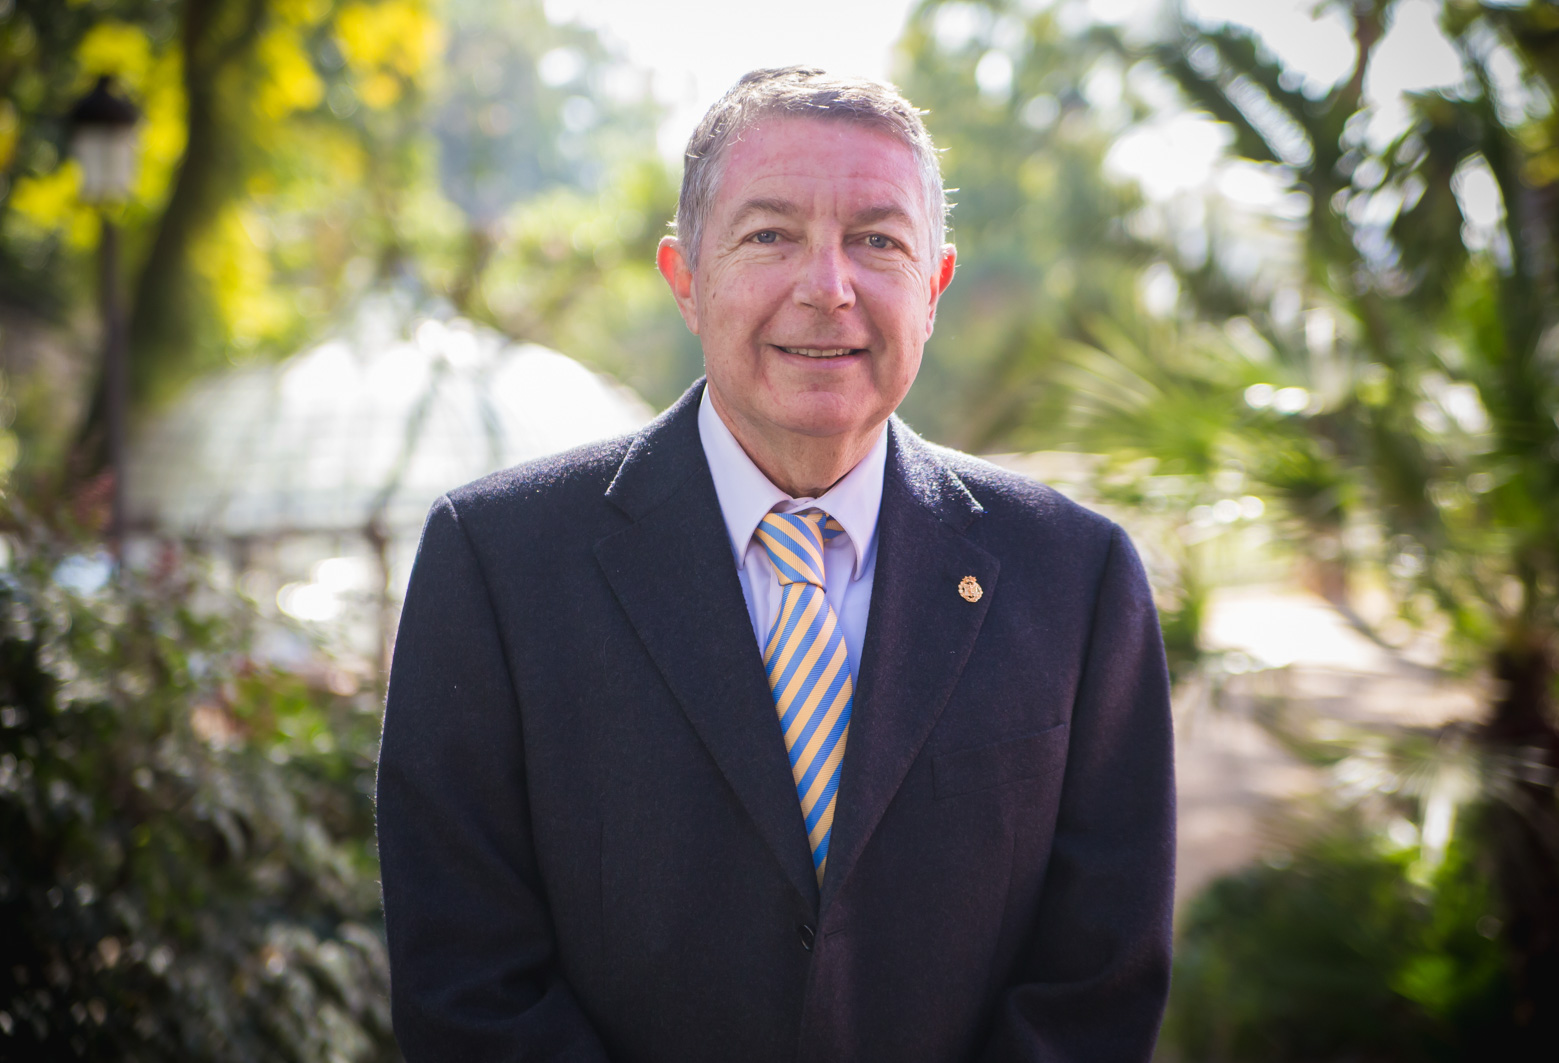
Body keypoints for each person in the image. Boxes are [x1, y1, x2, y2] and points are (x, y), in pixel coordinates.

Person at [377, 67, 1175, 1062]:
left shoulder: (1077, 580)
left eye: (877, 241)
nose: (827, 286)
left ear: (932, 288)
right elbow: (465, 978)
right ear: (685, 280)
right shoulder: (494, 564)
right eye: (770, 236)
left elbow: (1097, 983)